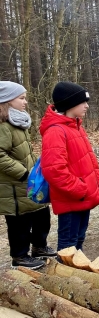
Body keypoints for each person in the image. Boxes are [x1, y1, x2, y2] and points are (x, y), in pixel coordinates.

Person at [39, 81, 99, 251]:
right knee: (68, 245)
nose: (86, 107)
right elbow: (54, 170)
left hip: (82, 198)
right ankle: (66, 276)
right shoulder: (56, 131)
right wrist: (80, 189)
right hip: (72, 198)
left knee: (78, 240)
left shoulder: (75, 126)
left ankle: (79, 274)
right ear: (70, 104)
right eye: (82, 102)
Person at [0, 81, 56, 269]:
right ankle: (20, 257)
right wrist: (23, 173)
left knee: (41, 214)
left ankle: (39, 247)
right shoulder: (3, 126)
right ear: (7, 101)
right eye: (21, 98)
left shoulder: (17, 121)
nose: (25, 102)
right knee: (19, 224)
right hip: (13, 187)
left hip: (30, 181)